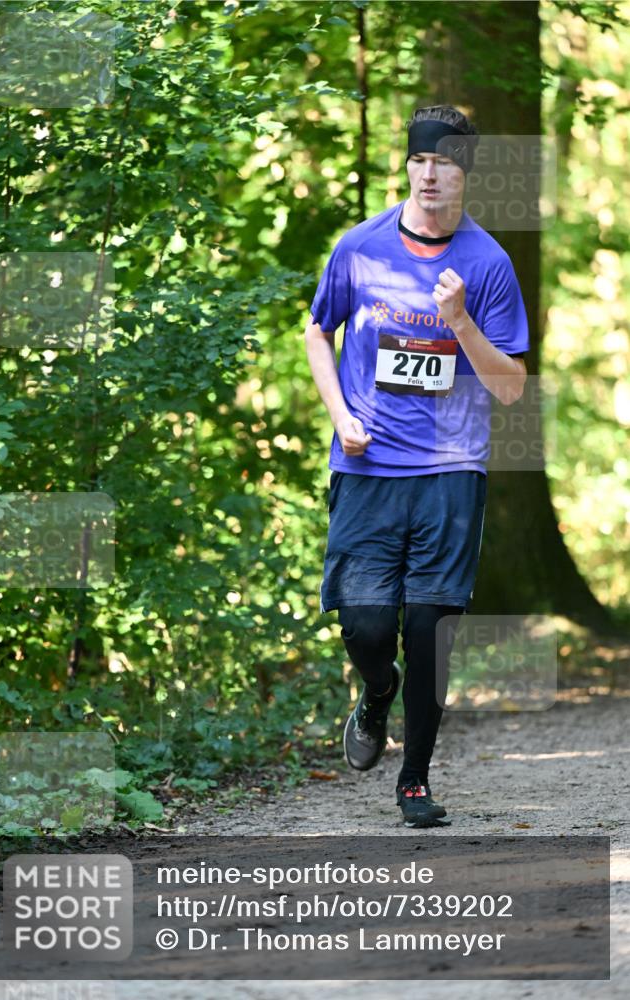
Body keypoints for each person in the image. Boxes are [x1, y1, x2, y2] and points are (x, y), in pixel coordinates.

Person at [304, 104, 530, 827]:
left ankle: (414, 781)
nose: (429, 175)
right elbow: (317, 331)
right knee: (366, 629)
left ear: (466, 172)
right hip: (368, 467)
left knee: (431, 630)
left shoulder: (488, 264)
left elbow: (510, 386)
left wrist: (460, 320)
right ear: (408, 165)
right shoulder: (360, 248)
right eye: (419, 160)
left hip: (450, 470)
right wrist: (340, 416)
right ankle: (377, 692)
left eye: (445, 163)